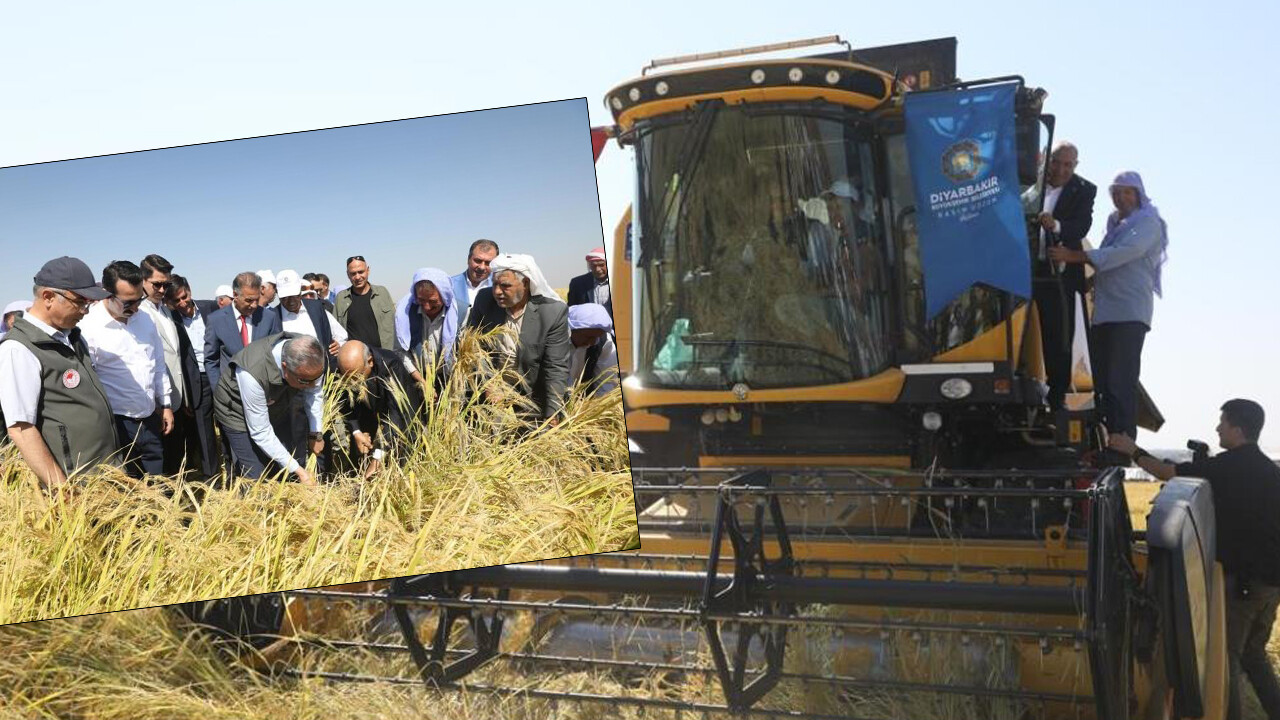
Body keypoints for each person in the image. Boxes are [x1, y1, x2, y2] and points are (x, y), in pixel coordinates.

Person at [1111, 400, 1280, 720]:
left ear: (1238, 429)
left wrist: (1132, 449)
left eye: (1223, 423)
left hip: (1243, 586)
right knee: (1254, 655)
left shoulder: (1227, 467)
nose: (1218, 428)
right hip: (1271, 585)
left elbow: (1166, 472)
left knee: (1224, 658)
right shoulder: (1270, 471)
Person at [1049, 170, 1167, 440]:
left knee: (1120, 381)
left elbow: (1124, 254)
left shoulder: (1148, 222)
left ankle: (1122, 442)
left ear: (1138, 194)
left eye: (1127, 192)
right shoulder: (1114, 224)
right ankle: (1106, 440)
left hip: (1128, 312)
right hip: (1103, 313)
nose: (1121, 197)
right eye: (1116, 192)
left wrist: (1074, 256)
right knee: (1101, 382)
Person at [0, 257, 118, 490]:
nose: (85, 311)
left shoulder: (72, 336)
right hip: (73, 482)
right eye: (80, 302)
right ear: (48, 297)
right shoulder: (19, 349)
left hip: (102, 472)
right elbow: (21, 429)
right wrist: (63, 489)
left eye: (89, 303)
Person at [79, 260, 174, 479]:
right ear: (106, 294)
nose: (135, 307)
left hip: (150, 417)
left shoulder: (146, 320)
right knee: (126, 483)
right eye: (127, 302)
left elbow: (157, 364)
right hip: (116, 422)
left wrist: (165, 404)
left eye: (139, 299)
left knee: (157, 479)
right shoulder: (88, 328)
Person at [467, 253, 571, 421]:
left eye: (505, 286)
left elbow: (555, 367)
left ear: (526, 283)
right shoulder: (485, 300)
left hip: (532, 393)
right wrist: (489, 383)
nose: (497, 292)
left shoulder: (552, 313)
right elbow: (475, 347)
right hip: (493, 392)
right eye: (494, 285)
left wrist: (553, 412)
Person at [211, 332, 325, 485]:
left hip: (275, 403)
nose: (311, 386)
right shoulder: (252, 372)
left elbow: (314, 393)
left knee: (282, 465)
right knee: (256, 474)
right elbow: (261, 432)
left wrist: (315, 433)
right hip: (235, 410)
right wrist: (300, 472)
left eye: (315, 379)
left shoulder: (312, 356)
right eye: (305, 381)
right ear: (285, 368)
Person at [1032, 142, 1096, 412]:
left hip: (1059, 274)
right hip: (1024, 268)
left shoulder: (1084, 190)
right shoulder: (1027, 182)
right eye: (1057, 162)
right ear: (1046, 158)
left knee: (1059, 334)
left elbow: (1080, 226)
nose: (1061, 169)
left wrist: (1055, 226)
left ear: (1076, 166)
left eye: (1068, 165)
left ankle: (1057, 394)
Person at [334, 340, 427, 478]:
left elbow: (397, 414)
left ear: (370, 362)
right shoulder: (344, 367)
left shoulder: (391, 366)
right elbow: (346, 402)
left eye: (356, 377)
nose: (352, 382)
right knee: (360, 452)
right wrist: (356, 431)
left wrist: (377, 459)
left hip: (399, 411)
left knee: (406, 448)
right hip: (365, 410)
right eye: (347, 377)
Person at [164, 274, 221, 479]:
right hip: (195, 384)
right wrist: (186, 395)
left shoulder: (211, 309)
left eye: (184, 296)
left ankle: (235, 471)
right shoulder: (171, 320)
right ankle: (211, 478)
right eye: (175, 301)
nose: (182, 303)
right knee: (204, 434)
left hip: (220, 377)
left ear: (189, 289)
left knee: (228, 426)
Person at [138, 254, 187, 470]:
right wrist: (159, 403)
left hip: (175, 396)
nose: (161, 290)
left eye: (165, 285)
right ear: (142, 281)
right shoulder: (138, 313)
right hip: (155, 402)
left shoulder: (167, 310)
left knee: (176, 454)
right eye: (156, 284)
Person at [204, 271, 284, 392]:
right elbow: (211, 360)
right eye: (249, 300)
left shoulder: (268, 318)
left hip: (263, 392)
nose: (254, 305)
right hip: (230, 393)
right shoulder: (216, 320)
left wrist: (274, 389)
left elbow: (276, 356)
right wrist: (219, 391)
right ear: (235, 294)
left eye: (257, 300)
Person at [394, 267, 459, 378]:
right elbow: (400, 351)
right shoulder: (404, 314)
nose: (427, 307)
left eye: (433, 301)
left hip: (450, 378)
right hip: (417, 377)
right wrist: (420, 380)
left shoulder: (461, 314)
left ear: (444, 297)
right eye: (422, 300)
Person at [335, 256, 395, 349]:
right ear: (348, 275)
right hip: (355, 358)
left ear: (368, 270)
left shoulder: (382, 292)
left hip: (384, 355)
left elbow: (394, 323)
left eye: (361, 272)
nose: (358, 277)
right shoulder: (341, 298)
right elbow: (335, 331)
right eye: (353, 273)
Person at [567, 302, 619, 398]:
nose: (591, 342)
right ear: (573, 330)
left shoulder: (604, 342)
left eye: (596, 337)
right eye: (588, 337)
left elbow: (606, 384)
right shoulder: (555, 339)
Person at [449, 239, 499, 328]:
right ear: (468, 259)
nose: (482, 267)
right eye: (478, 261)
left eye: (488, 263)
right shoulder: (450, 286)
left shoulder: (500, 289)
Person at [567, 247, 612, 317]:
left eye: (601, 265)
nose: (597, 269)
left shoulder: (621, 282)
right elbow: (572, 310)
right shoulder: (577, 283)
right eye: (593, 266)